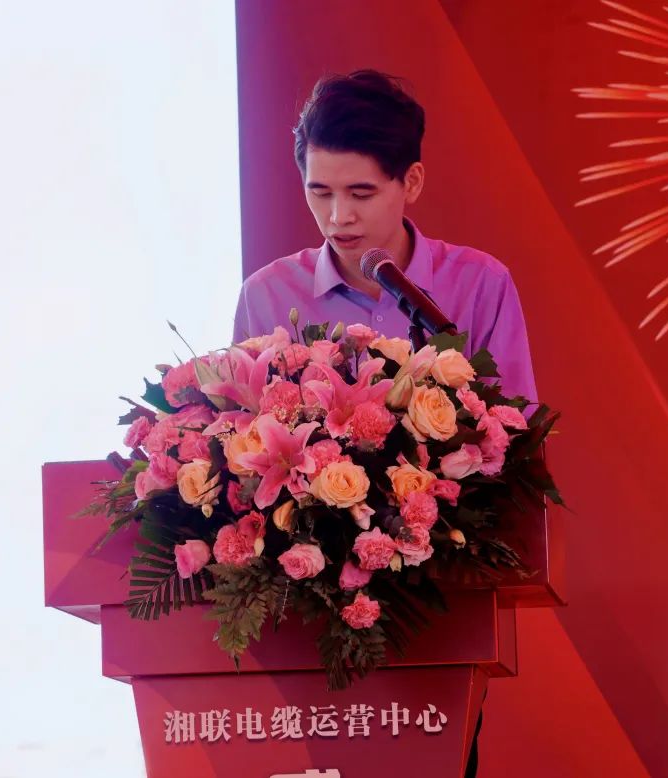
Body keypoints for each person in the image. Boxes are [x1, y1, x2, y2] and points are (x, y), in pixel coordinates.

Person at [231, 68, 537, 778]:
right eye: (319, 191)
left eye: (361, 193)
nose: (338, 216)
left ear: (412, 182)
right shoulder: (268, 296)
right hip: (303, 607)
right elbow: (243, 451)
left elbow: (516, 442)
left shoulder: (477, 286)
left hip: (436, 601)